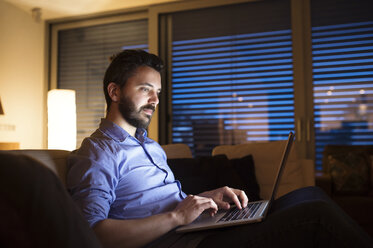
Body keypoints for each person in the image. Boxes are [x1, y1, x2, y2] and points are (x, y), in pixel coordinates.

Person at [67, 49, 373, 248]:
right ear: (115, 91)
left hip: (196, 230)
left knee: (310, 194)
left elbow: (164, 202)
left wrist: (202, 199)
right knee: (315, 214)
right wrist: (177, 218)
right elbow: (92, 233)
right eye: (145, 89)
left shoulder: (148, 145)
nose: (155, 100)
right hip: (183, 242)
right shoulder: (98, 152)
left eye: (157, 92)